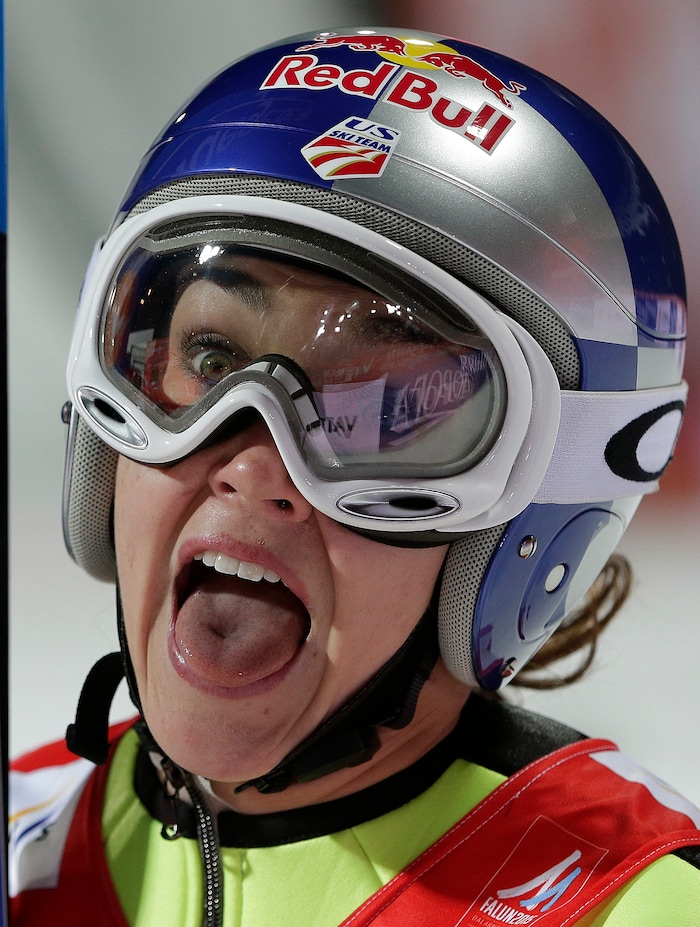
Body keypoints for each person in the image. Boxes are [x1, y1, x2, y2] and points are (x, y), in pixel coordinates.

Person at [8, 26, 700, 927]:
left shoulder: (638, 905)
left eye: (384, 409)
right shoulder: (21, 851)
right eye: (212, 360)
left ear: (531, 516)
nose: (255, 469)